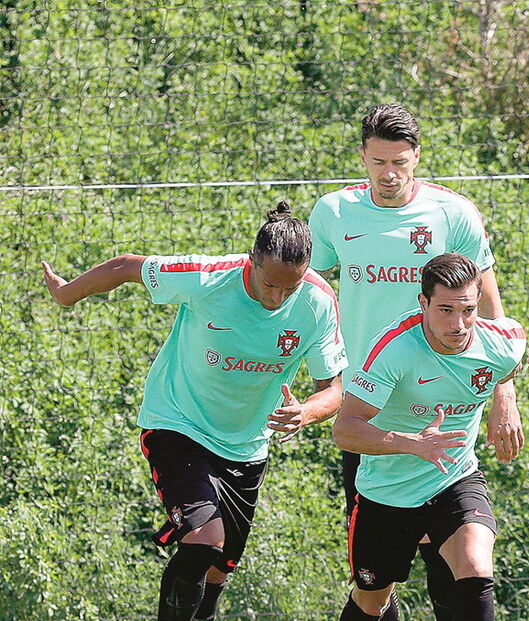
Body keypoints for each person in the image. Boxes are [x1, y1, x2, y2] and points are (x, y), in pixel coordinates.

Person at [41, 202, 349, 621]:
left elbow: (332, 388)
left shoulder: (317, 303)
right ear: (252, 260)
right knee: (205, 538)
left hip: (245, 447)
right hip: (177, 423)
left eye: (288, 288)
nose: (276, 297)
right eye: (269, 283)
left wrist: (307, 413)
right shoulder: (208, 276)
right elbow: (127, 266)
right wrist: (66, 294)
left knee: (217, 570)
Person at [309, 102, 523, 618]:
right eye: (379, 161)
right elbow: (308, 295)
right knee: (378, 577)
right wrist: (311, 376)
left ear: (417, 158)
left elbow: (491, 313)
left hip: (444, 403)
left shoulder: (454, 214)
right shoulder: (334, 213)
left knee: (459, 560)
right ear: (362, 156)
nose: (389, 174)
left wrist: (504, 395)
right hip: (371, 407)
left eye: (400, 162)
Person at [332, 253, 526, 621]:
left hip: (454, 478)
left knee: (475, 564)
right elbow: (345, 430)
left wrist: (505, 398)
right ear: (423, 303)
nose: (459, 324)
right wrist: (411, 444)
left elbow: (509, 364)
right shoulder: (394, 349)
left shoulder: (502, 341)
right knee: (372, 600)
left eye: (468, 310)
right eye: (445, 310)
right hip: (387, 493)